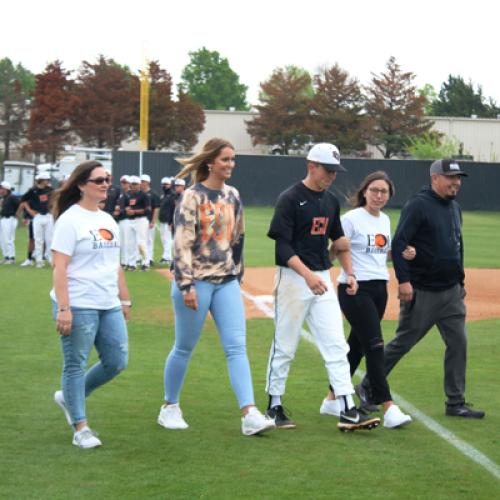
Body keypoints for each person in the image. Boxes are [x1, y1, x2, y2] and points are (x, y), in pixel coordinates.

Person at [158, 138, 275, 436]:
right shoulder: (191, 197)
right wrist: (186, 286)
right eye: (225, 159)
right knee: (184, 348)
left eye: (233, 160)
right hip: (195, 281)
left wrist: (238, 275)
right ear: (210, 161)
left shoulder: (233, 195)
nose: (230, 165)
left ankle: (249, 413)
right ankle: (169, 407)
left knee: (237, 347)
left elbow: (239, 237)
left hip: (226, 282)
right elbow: (181, 242)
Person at [264, 143, 380, 432]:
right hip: (293, 278)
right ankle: (274, 405)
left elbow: (339, 242)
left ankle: (347, 408)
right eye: (328, 170)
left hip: (322, 278)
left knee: (336, 345)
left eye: (335, 171)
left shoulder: (330, 202)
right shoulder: (290, 198)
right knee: (285, 344)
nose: (332, 176)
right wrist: (307, 275)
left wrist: (350, 273)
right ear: (311, 166)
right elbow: (282, 246)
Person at [358, 159, 485, 419]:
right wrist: (404, 281)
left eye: (459, 178)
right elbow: (401, 243)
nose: (456, 182)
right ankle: (368, 386)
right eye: (451, 177)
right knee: (403, 343)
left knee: (459, 343)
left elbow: (456, 246)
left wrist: (459, 282)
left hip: (451, 293)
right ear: (435, 178)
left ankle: (455, 402)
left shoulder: (454, 208)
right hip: (423, 291)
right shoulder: (419, 205)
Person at [320, 171, 413, 429]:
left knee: (359, 345)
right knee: (374, 344)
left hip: (378, 288)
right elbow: (334, 248)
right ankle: (387, 406)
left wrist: (404, 253)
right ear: (364, 192)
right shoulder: (350, 219)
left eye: (384, 192)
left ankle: (331, 399)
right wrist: (339, 257)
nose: (379, 195)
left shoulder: (385, 219)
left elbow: (381, 254)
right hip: (353, 289)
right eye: (374, 190)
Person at [50, 160, 131, 448]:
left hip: (107, 302)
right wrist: (64, 308)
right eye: (98, 180)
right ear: (82, 185)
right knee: (75, 364)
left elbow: (115, 265)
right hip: (79, 303)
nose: (105, 184)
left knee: (117, 361)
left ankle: (69, 396)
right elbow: (59, 267)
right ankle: (80, 428)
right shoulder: (70, 221)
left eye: (107, 179)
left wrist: (124, 298)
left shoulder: (108, 220)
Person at [21, 172, 54, 268]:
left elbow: (56, 199)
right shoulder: (33, 190)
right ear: (41, 180)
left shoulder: (50, 190)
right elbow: (23, 200)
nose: (48, 181)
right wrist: (29, 210)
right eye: (46, 180)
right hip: (37, 216)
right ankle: (39, 260)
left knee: (49, 238)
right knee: (38, 238)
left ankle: (49, 257)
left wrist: (53, 209)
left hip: (48, 215)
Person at [124, 175, 151, 271]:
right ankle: (132, 264)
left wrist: (135, 211)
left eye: (136, 184)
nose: (134, 186)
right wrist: (126, 208)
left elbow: (148, 210)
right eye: (132, 184)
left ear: (139, 185)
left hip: (141, 220)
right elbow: (123, 205)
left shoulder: (144, 195)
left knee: (141, 242)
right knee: (130, 243)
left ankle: (145, 262)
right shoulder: (128, 195)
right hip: (130, 220)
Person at [140, 174, 161, 266]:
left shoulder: (154, 194)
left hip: (149, 221)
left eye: (143, 181)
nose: (141, 183)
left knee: (149, 240)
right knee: (141, 241)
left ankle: (150, 258)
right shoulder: (139, 193)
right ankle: (142, 258)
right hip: (139, 221)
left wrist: (153, 221)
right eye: (141, 181)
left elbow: (156, 209)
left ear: (148, 182)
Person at [0, 181, 20, 264]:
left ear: (6, 189)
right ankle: (6, 256)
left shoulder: (12, 197)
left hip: (10, 219)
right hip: (3, 219)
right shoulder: (4, 198)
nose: (0, 190)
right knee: (2, 239)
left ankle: (11, 258)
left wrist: (17, 214)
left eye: (1, 188)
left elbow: (19, 205)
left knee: (9, 239)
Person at [158, 177, 173, 264]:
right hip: (162, 220)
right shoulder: (163, 195)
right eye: (163, 184)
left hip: (168, 221)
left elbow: (173, 209)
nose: (164, 186)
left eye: (166, 184)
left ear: (170, 185)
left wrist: (171, 222)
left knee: (167, 239)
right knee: (163, 239)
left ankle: (167, 257)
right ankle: (167, 256)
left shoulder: (172, 195)